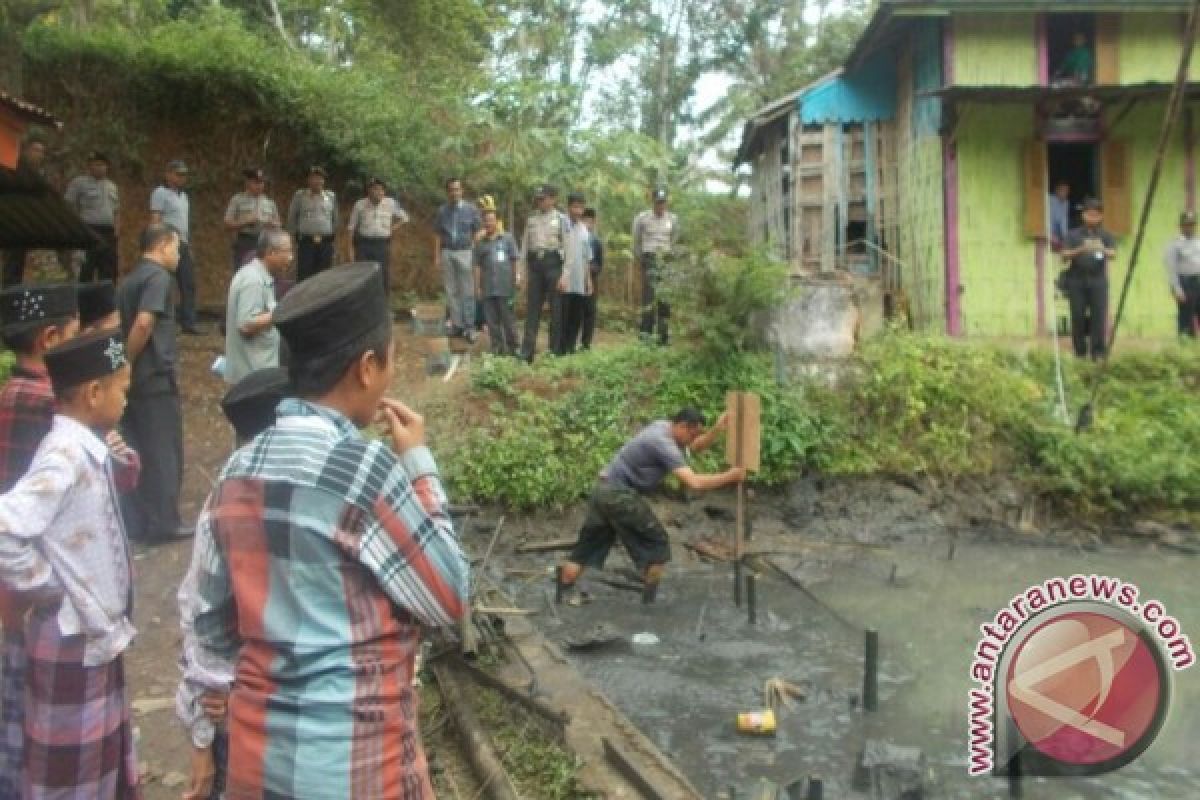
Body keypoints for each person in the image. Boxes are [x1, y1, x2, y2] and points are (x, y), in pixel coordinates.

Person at [187, 262, 469, 798]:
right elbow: (450, 595)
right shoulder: (365, 470)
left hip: (256, 762)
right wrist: (419, 465)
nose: (389, 375)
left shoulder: (235, 470)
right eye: (389, 361)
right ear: (366, 367)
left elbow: (212, 627)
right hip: (355, 766)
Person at [0, 328, 141, 800]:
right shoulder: (63, 455)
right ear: (93, 392)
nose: (127, 398)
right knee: (67, 776)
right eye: (122, 388)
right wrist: (51, 587)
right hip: (70, 638)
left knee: (97, 765)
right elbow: (5, 528)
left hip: (91, 638)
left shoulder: (87, 445)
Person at [175, 366, 290, 800]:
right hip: (248, 708)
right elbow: (200, 617)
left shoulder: (229, 502)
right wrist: (205, 731)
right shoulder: (224, 508)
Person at [0, 284, 79, 799]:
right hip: (34, 569)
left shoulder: (8, 391)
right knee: (44, 704)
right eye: (74, 335)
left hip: (8, 568)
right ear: (51, 338)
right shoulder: (51, 406)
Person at [557, 408, 743, 603]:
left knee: (586, 548)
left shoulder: (664, 427)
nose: (693, 439)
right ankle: (649, 602)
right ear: (682, 426)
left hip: (602, 491)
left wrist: (716, 430)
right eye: (693, 433)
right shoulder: (662, 443)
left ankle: (563, 591)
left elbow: (695, 447)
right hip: (619, 495)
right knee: (658, 544)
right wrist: (731, 476)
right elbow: (694, 482)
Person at [117, 224, 189, 543]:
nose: (178, 255)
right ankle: (164, 522)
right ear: (160, 246)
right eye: (176, 248)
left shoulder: (130, 279)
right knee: (162, 449)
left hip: (135, 383)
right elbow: (145, 322)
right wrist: (128, 363)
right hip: (153, 376)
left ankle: (138, 521)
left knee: (136, 444)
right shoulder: (158, 278)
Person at [224, 230, 291, 385]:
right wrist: (283, 311)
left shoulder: (260, 276)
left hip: (259, 369)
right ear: (271, 252)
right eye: (287, 251)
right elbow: (246, 324)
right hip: (253, 375)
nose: (290, 257)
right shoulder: (253, 280)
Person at [1060, 197, 1116, 360]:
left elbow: (1113, 254)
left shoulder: (1105, 235)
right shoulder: (1073, 234)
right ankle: (1080, 352)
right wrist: (1081, 249)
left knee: (1099, 316)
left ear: (1101, 217)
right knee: (1077, 315)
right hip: (1076, 280)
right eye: (1089, 214)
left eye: (1095, 215)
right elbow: (1064, 255)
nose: (1092, 218)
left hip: (1098, 281)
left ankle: (1098, 352)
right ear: (1083, 215)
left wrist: (1102, 249)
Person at [149, 159, 201, 334]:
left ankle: (188, 322)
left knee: (188, 283)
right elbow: (156, 219)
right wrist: (156, 243)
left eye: (184, 175)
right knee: (164, 283)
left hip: (182, 243)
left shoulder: (184, 196)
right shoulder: (160, 193)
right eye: (178, 174)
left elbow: (183, 223)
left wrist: (188, 245)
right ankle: (162, 321)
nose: (181, 178)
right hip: (167, 242)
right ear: (168, 174)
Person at [519, 184, 569, 362]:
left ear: (553, 199)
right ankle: (526, 353)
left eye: (543, 198)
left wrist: (565, 275)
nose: (540, 201)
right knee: (532, 311)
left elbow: (568, 249)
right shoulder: (531, 219)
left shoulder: (562, 220)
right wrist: (521, 273)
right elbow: (524, 247)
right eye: (538, 198)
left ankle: (553, 353)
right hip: (535, 267)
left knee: (556, 311)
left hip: (554, 265)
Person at [434, 177, 483, 341]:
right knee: (451, 291)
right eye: (451, 190)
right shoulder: (442, 211)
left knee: (467, 291)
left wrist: (474, 249)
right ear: (447, 192)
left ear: (462, 191)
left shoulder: (471, 209)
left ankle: (469, 327)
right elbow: (437, 234)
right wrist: (437, 256)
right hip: (447, 252)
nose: (454, 192)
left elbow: (478, 231)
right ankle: (457, 325)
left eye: (457, 189)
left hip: (465, 252)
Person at [632, 186, 679, 345]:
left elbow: (674, 239)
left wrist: (669, 256)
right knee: (649, 298)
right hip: (649, 259)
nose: (661, 206)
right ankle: (645, 336)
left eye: (663, 203)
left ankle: (663, 337)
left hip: (665, 260)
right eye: (658, 203)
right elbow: (636, 241)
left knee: (665, 299)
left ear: (666, 202)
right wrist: (642, 260)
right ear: (652, 202)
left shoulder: (673, 219)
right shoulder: (642, 218)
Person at [64, 151, 120, 284]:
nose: (100, 168)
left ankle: (105, 301)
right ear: (89, 166)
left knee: (108, 269)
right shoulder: (79, 183)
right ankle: (84, 302)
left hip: (108, 233)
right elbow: (68, 204)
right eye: (96, 164)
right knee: (85, 268)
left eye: (103, 165)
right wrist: (75, 225)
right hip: (87, 230)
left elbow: (117, 210)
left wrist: (117, 230)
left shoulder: (112, 186)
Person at [348, 177, 408, 295]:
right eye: (375, 189)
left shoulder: (390, 203)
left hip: (382, 244)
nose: (378, 192)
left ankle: (383, 306)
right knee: (362, 275)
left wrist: (391, 229)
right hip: (364, 245)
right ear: (368, 191)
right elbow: (351, 228)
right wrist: (350, 250)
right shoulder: (360, 204)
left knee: (383, 274)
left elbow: (405, 218)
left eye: (381, 189)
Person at [3, 137, 49, 287]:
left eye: (42, 152)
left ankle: (14, 289)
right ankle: (8, 291)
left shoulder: (41, 173)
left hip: (28, 222)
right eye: (36, 150)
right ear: (26, 151)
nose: (39, 155)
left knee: (19, 259)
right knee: (12, 259)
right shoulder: (13, 168)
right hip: (12, 219)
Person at [474, 208, 520, 356]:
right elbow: (477, 267)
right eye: (486, 220)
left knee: (508, 320)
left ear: (497, 222)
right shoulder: (480, 244)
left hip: (505, 287)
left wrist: (516, 279)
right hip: (488, 288)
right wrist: (478, 287)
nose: (488, 223)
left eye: (491, 220)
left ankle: (514, 349)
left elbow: (514, 261)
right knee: (492, 322)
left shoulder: (507, 239)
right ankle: (497, 349)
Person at [224, 167, 280, 271]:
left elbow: (278, 224)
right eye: (256, 182)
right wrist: (245, 222)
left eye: (261, 183)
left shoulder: (269, 203)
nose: (259, 186)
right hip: (245, 241)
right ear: (248, 182)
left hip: (265, 242)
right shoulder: (238, 200)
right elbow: (227, 223)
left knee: (264, 272)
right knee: (243, 271)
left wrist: (272, 225)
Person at [287, 165, 338, 282]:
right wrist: (292, 239)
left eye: (320, 178)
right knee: (305, 275)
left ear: (324, 180)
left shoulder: (331, 196)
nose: (317, 181)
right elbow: (292, 218)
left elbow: (335, 219)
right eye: (313, 178)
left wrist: (332, 238)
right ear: (308, 180)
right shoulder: (300, 196)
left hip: (325, 242)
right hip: (306, 242)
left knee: (324, 275)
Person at [558, 192, 593, 355]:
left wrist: (589, 280)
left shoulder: (584, 230)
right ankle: (560, 349)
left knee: (575, 317)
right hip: (564, 280)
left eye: (581, 207)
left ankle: (570, 348)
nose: (578, 211)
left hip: (579, 281)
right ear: (568, 207)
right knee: (562, 317)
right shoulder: (561, 224)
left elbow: (587, 257)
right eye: (575, 207)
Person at [1164, 209, 1200, 338]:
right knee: (1186, 318)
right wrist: (1177, 289)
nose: (1189, 227)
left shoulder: (1198, 242)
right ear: (1181, 226)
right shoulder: (1174, 245)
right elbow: (1171, 269)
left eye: (1192, 225)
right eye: (1187, 225)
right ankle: (1185, 346)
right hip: (1184, 283)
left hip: (1197, 281)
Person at [580, 207, 604, 350]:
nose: (587, 224)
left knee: (590, 312)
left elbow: (599, 264)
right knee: (576, 312)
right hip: (576, 279)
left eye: (590, 221)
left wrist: (592, 269)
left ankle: (586, 343)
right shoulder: (574, 237)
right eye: (585, 221)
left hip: (591, 279)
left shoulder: (596, 242)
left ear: (594, 223)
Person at [1047, 179, 1070, 250]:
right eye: (1062, 190)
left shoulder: (1066, 203)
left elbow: (1064, 221)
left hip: (1058, 236)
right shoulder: (1049, 200)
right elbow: (1048, 219)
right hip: (1048, 233)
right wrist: (1050, 234)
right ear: (1056, 190)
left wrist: (1066, 238)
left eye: (1067, 191)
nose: (1065, 193)